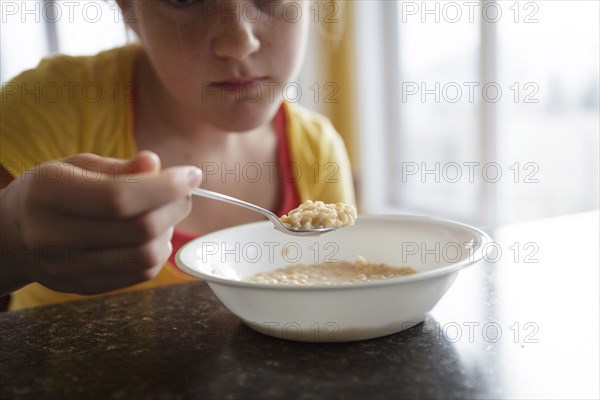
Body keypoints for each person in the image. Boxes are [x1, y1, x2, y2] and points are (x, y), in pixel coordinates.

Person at [0, 0, 355, 310]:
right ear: (128, 8)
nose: (238, 42)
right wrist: (12, 237)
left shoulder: (318, 150)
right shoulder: (52, 106)